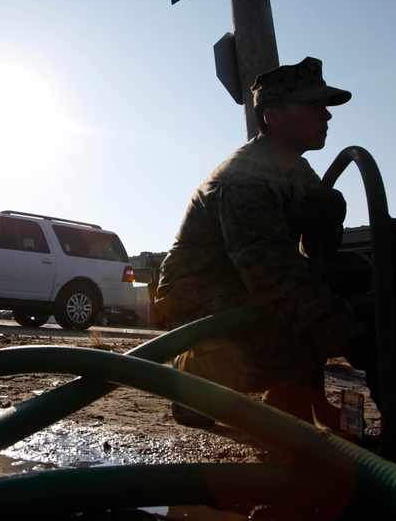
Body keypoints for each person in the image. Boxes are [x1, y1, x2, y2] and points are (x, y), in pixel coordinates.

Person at [154, 57, 371, 430]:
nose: (327, 116)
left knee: (357, 276)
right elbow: (278, 280)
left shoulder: (296, 171)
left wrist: (331, 225)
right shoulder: (244, 181)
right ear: (273, 117)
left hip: (243, 283)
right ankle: (194, 376)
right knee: (298, 333)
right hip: (196, 297)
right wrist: (353, 338)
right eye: (313, 105)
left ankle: (292, 401)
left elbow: (316, 257)